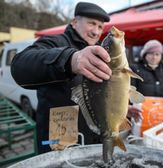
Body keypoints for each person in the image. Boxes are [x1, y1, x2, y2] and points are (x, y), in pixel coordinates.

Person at [10, 2, 135, 154]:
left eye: (100, 27)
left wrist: (118, 107)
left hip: (95, 139)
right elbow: (19, 66)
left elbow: (106, 91)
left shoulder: (104, 52)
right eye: (92, 23)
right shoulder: (54, 42)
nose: (96, 31)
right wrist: (71, 59)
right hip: (58, 139)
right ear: (75, 22)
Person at [130, 40, 163, 109]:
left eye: (157, 54)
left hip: (162, 110)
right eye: (151, 53)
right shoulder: (135, 69)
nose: (154, 57)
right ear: (145, 54)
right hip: (141, 110)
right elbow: (129, 90)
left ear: (161, 56)